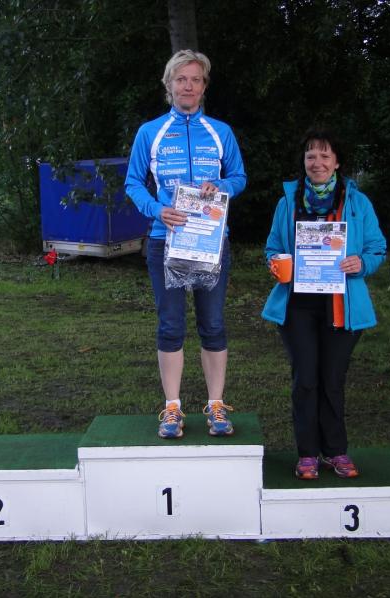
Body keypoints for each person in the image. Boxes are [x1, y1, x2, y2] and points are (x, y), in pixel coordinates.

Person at [124, 49, 247, 439]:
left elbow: (239, 176)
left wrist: (221, 185)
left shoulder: (220, 132)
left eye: (195, 79)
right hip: (166, 242)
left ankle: (216, 405)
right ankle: (172, 408)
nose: (188, 86)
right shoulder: (151, 132)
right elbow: (132, 183)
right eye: (181, 79)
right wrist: (157, 210)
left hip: (211, 242)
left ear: (204, 86)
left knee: (213, 324)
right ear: (169, 85)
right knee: (170, 325)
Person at [262, 127, 386, 479]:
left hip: (341, 306)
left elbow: (377, 249)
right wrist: (276, 264)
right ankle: (307, 454)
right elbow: (272, 247)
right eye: (311, 156)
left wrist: (362, 263)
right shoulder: (288, 202)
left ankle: (335, 451)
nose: (317, 162)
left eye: (325, 156)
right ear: (303, 161)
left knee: (332, 380)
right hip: (297, 307)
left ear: (337, 162)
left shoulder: (358, 203)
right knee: (305, 379)